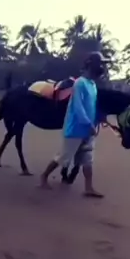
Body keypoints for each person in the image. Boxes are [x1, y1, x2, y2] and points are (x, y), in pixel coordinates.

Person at [39, 51, 108, 198]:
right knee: (63, 156)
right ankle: (44, 176)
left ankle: (89, 188)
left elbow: (91, 106)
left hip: (89, 129)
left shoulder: (92, 85)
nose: (102, 67)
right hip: (75, 129)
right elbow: (78, 107)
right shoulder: (80, 83)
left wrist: (98, 119)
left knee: (88, 159)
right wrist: (88, 124)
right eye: (100, 64)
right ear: (90, 65)